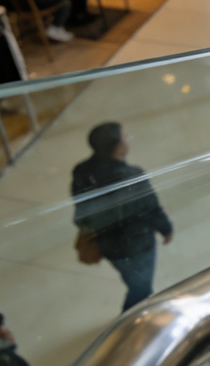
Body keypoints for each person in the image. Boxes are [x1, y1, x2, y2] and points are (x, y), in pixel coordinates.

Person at [71, 122, 173, 312]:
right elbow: (151, 209)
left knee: (133, 281)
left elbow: (81, 207)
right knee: (141, 288)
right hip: (137, 246)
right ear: (118, 148)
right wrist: (166, 228)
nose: (128, 140)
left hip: (107, 245)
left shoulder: (82, 171)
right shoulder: (131, 176)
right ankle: (129, 321)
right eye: (125, 137)